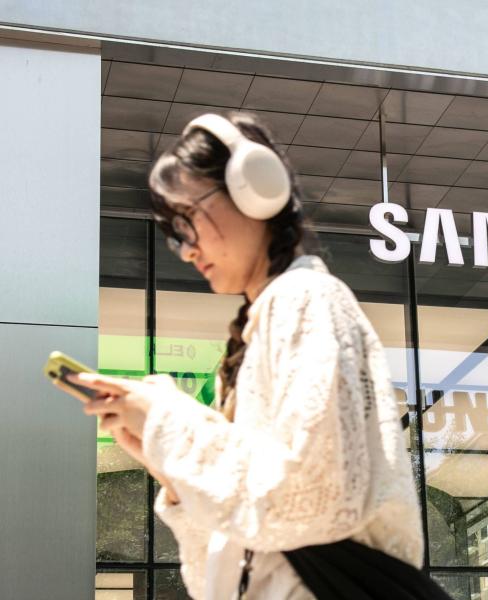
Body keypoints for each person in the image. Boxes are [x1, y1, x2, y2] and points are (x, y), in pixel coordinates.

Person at [62, 112, 447, 599]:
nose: (184, 249)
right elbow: (222, 577)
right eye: (173, 232)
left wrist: (172, 424)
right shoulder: (259, 330)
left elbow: (315, 497)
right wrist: (173, 473)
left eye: (188, 219)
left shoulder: (306, 299)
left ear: (254, 188)